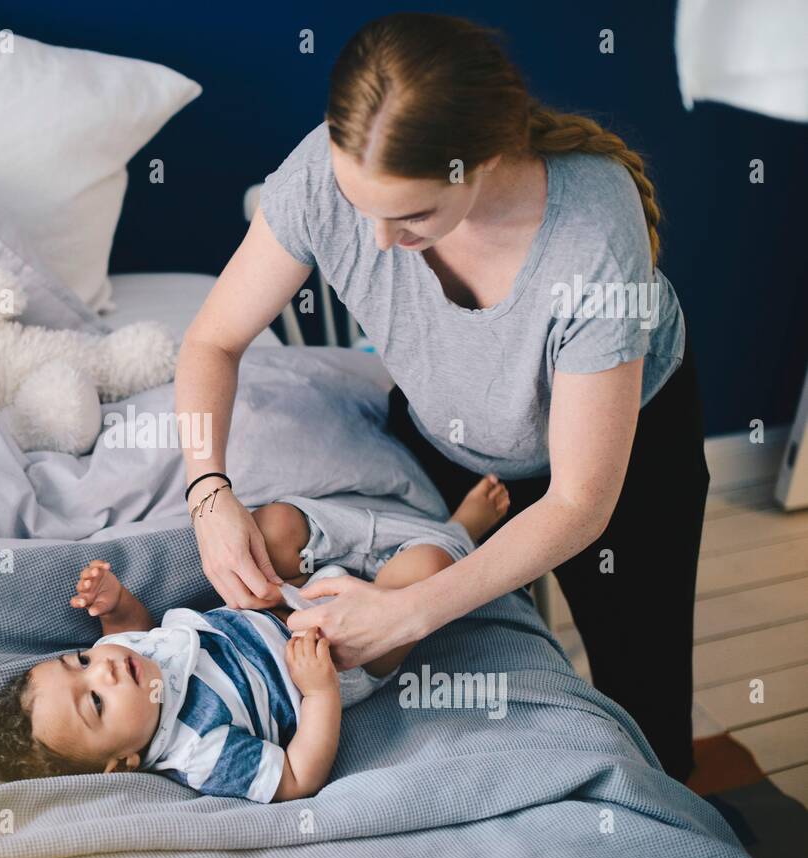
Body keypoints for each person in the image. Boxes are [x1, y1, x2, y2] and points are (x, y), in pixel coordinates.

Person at [173, 13, 708, 782]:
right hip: (451, 431)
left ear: (484, 158)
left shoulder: (592, 233)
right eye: (365, 210)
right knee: (478, 673)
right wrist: (206, 486)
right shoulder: (327, 175)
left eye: (413, 216)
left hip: (619, 459)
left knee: (645, 688)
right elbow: (210, 341)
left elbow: (580, 502)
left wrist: (409, 609)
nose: (381, 244)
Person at [0, 483, 507, 802]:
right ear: (122, 762)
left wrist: (115, 604)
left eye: (80, 661)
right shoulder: (200, 751)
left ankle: (362, 545)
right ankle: (459, 530)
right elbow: (298, 778)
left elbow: (131, 633)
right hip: (334, 654)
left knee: (276, 523)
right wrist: (320, 691)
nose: (106, 671)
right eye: (95, 703)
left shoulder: (131, 661)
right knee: (424, 571)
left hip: (279, 599)